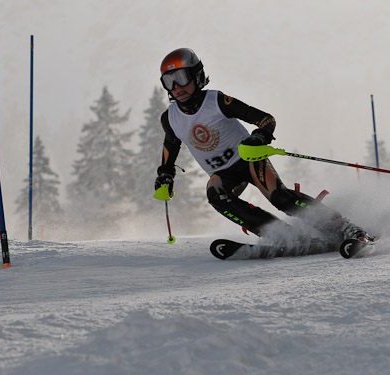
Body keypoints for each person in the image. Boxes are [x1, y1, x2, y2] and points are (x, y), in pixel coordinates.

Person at [154, 48, 372, 252]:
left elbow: (266, 120)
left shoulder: (217, 101)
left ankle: (346, 228)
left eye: (181, 78)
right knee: (215, 195)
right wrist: (165, 175)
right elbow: (170, 146)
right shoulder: (171, 118)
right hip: (224, 174)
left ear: (197, 76)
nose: (176, 88)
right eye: (169, 82)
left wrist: (258, 138)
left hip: (250, 160)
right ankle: (281, 235)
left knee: (280, 198)